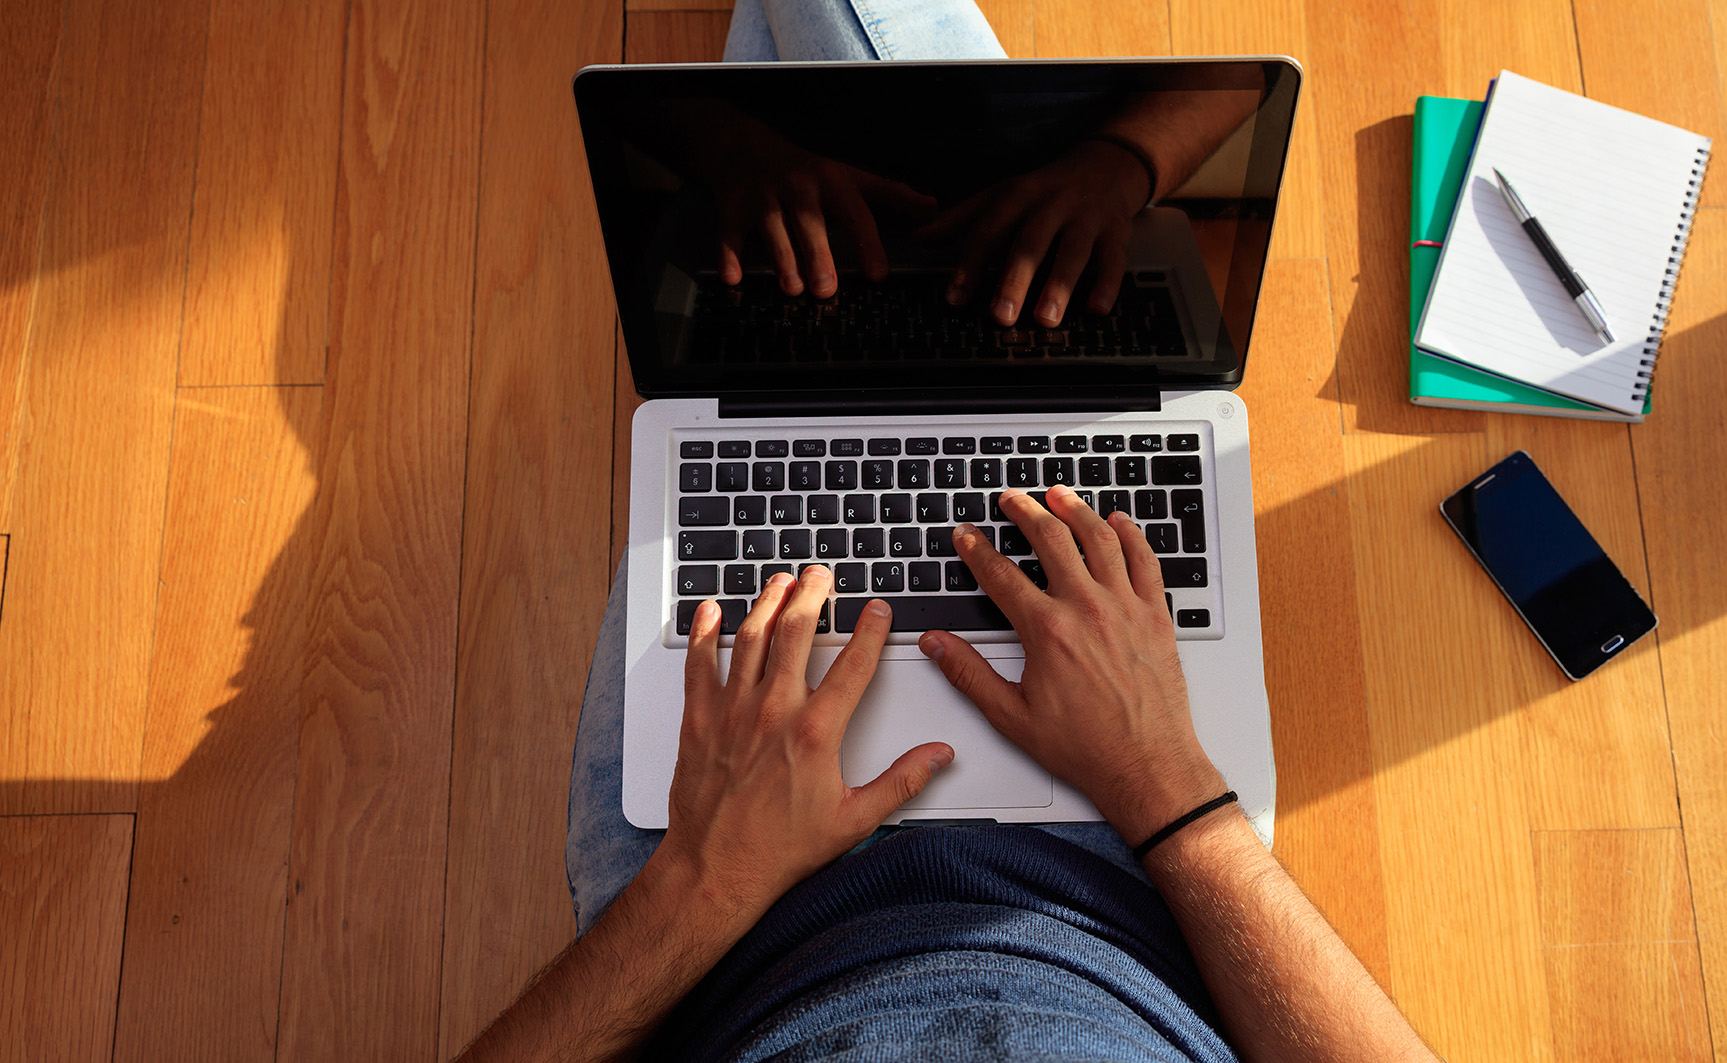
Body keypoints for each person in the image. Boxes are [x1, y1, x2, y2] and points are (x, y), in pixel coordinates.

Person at [455, 4, 1440, 1060]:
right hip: (1138, 866)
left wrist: (709, 879)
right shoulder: (1154, 804)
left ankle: (765, 141)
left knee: (796, 251)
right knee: (921, 184)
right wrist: (1165, 785)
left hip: (716, 919)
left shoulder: (708, 883)